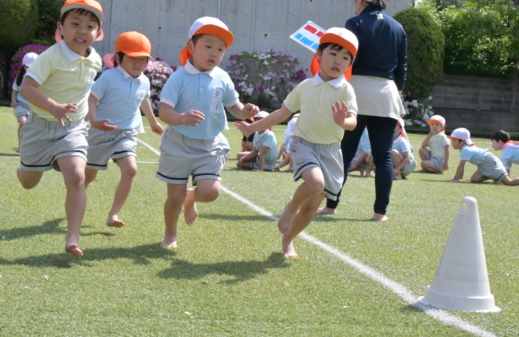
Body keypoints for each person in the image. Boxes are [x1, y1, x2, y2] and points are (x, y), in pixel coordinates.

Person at [236, 27, 358, 258]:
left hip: (331, 152)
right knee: (315, 184)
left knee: (311, 207)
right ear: (319, 55)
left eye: (345, 58)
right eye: (333, 53)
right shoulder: (305, 86)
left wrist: (344, 121)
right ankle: (291, 207)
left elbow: (352, 121)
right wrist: (252, 128)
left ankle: (288, 240)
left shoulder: (346, 89)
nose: (338, 61)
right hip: (305, 145)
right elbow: (282, 113)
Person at [156, 16, 259, 248]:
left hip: (210, 143)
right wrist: (181, 118)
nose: (214, 53)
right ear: (191, 46)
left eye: (220, 49)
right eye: (208, 46)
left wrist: (245, 111)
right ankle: (171, 234)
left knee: (211, 192)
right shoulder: (178, 78)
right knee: (174, 197)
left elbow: (234, 106)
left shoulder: (222, 77)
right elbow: (164, 112)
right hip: (178, 144)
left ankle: (191, 196)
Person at [17, 0, 105, 258]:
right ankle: (24, 168)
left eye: (90, 26)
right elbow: (26, 88)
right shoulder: (50, 57)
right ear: (60, 28)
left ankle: (73, 237)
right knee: (28, 183)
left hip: (72, 128)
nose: (82, 31)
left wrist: (90, 117)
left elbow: (85, 92)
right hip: (40, 128)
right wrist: (53, 106)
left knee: (77, 175)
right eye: (75, 23)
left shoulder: (95, 60)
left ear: (98, 33)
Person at [319, 0, 407, 222]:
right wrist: (394, 93)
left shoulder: (354, 23)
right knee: (384, 155)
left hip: (356, 91)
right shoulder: (397, 27)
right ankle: (380, 213)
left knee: (345, 152)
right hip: (387, 94)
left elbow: (345, 59)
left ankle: (331, 205)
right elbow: (402, 68)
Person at [84, 32, 164, 228]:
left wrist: (153, 122)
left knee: (130, 170)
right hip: (100, 132)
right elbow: (91, 99)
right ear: (118, 58)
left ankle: (113, 214)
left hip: (126, 133)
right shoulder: (109, 77)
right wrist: (94, 121)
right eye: (132, 58)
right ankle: (75, 199)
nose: (138, 63)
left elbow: (144, 100)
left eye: (143, 59)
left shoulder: (144, 80)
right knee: (88, 176)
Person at [448, 127, 519, 185]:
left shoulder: (466, 149)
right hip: (484, 165)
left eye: (454, 140)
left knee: (509, 182)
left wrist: (457, 179)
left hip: (490, 162)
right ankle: (494, 176)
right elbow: (508, 165)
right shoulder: (465, 148)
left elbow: (461, 165)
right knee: (474, 179)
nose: (452, 143)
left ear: (462, 141)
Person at [11, 52, 38, 153]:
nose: (29, 69)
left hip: (34, 108)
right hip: (21, 106)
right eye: (27, 67)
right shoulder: (20, 78)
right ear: (24, 66)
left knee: (33, 128)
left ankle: (31, 146)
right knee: (23, 123)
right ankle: (20, 145)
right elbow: (15, 90)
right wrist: (13, 100)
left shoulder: (40, 79)